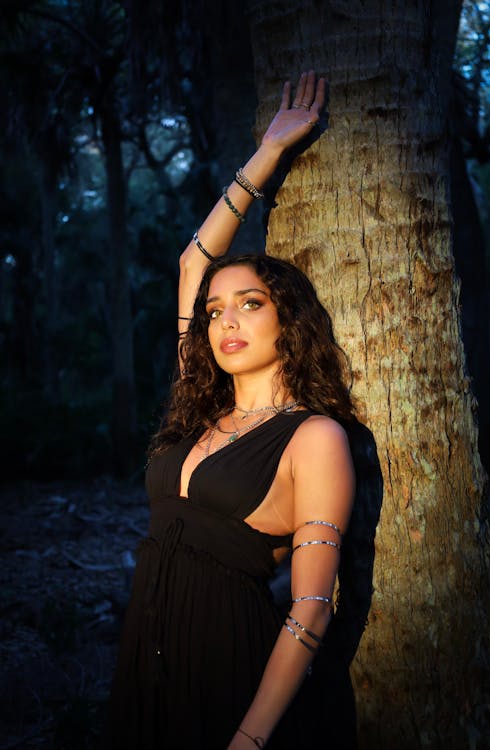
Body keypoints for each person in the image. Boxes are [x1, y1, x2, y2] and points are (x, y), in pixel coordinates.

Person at [106, 71, 356, 749]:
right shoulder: (198, 406)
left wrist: (248, 740)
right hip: (142, 663)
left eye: (251, 303)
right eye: (216, 311)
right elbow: (195, 260)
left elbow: (310, 609)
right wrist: (264, 154)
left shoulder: (314, 438)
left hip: (230, 675)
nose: (226, 321)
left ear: (289, 320)